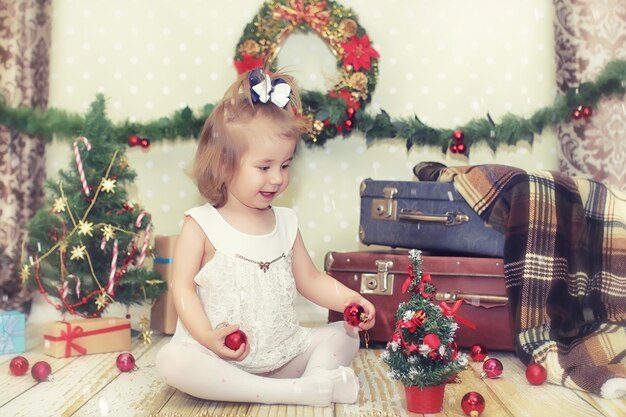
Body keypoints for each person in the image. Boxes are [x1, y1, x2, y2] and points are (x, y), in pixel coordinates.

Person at [155, 66, 376, 406]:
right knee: (172, 361)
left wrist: (350, 300)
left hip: (285, 354)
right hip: (223, 359)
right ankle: (298, 391)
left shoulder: (286, 222)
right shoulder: (201, 224)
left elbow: (312, 280)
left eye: (285, 166)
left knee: (345, 337)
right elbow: (182, 287)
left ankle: (314, 379)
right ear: (225, 166)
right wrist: (208, 337)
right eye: (264, 167)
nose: (277, 179)